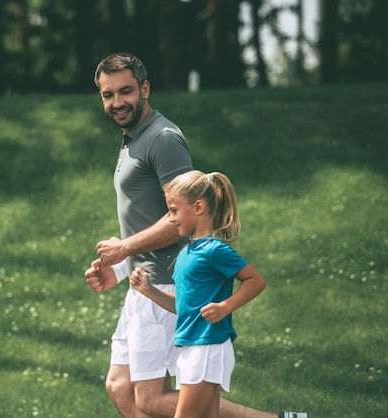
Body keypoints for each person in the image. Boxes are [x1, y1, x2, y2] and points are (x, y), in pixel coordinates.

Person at [84, 52, 308, 418]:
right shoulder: (133, 138)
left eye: (125, 91)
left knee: (153, 399)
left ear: (144, 89)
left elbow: (181, 216)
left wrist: (124, 247)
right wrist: (122, 266)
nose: (117, 102)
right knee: (119, 387)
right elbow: (152, 216)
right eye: (108, 95)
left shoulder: (162, 138)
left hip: (169, 285)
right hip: (144, 282)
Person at [129, 170, 265, 418]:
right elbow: (184, 307)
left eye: (173, 210)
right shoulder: (186, 254)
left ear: (199, 207)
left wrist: (225, 306)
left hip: (207, 346)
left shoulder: (215, 250)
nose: (170, 218)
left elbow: (255, 280)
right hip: (191, 348)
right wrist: (148, 291)